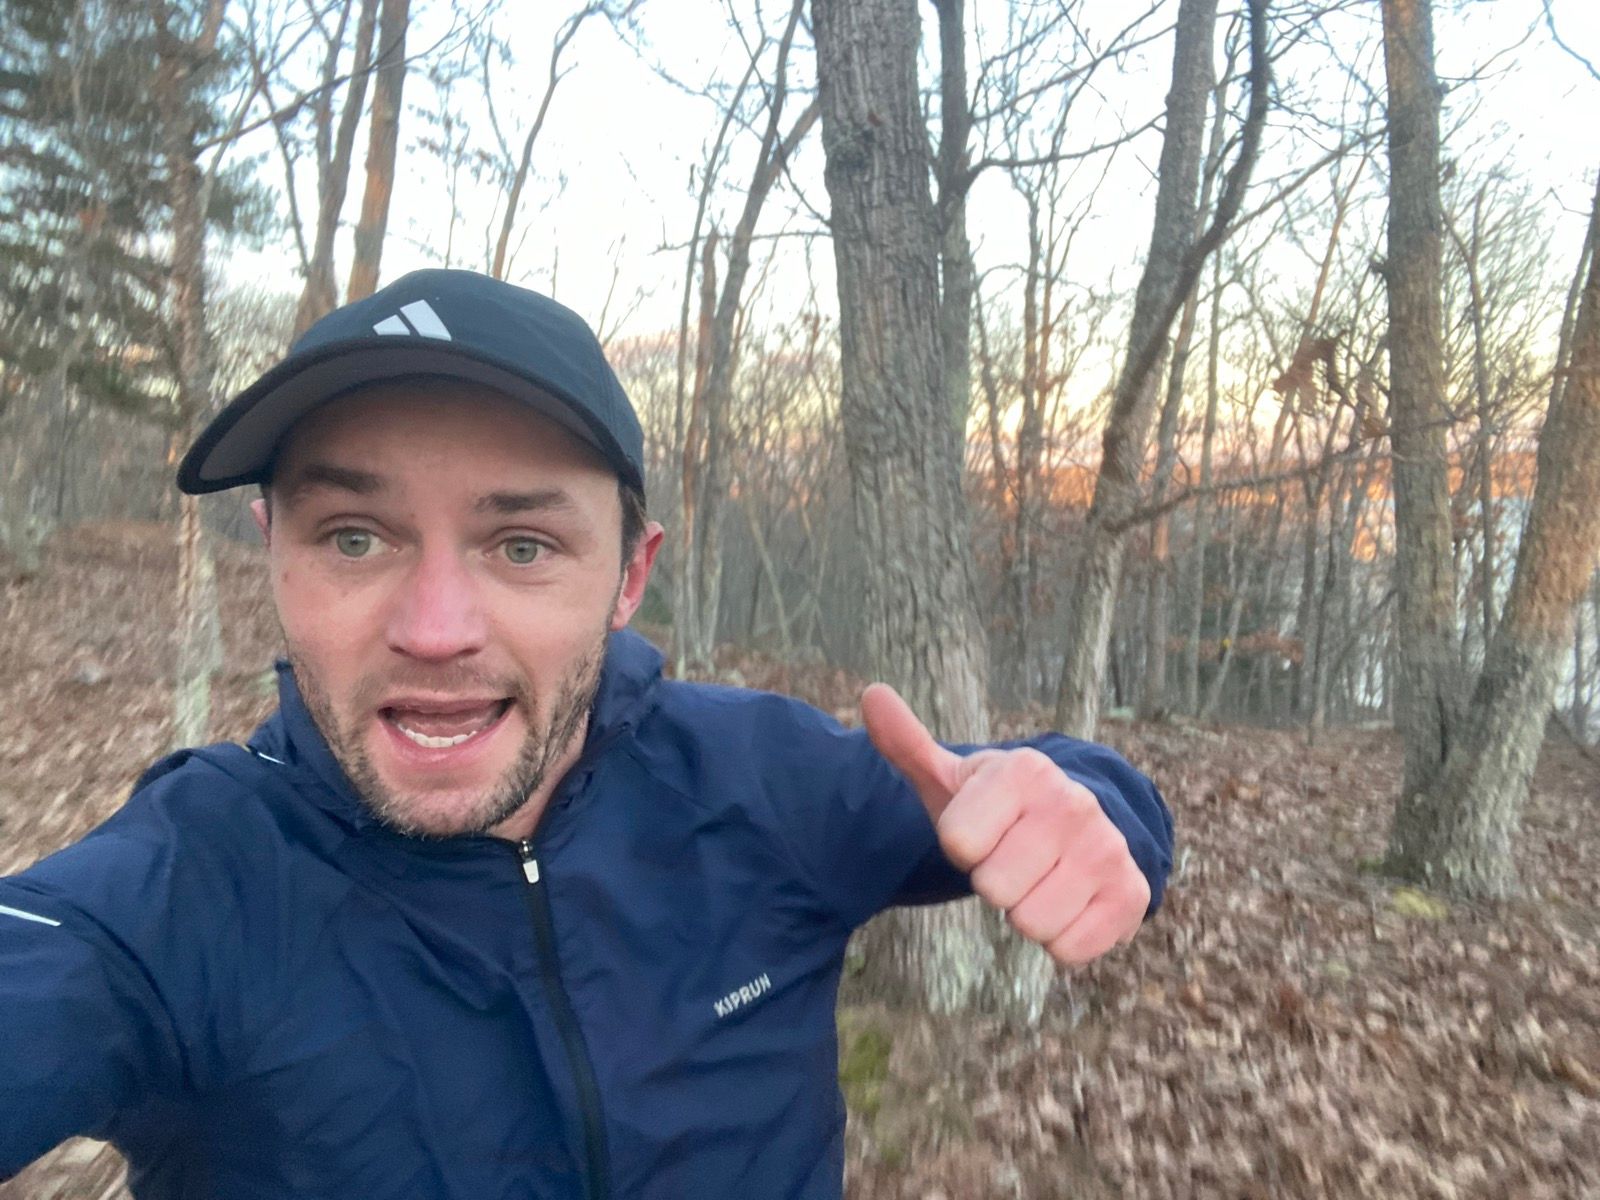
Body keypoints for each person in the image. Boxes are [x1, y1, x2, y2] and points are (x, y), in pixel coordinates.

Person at [0, 270, 1173, 1198]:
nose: (435, 630)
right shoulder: (181, 890)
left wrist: (1089, 809)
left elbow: (1058, 783)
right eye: (355, 537)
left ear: (628, 577)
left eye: (522, 546)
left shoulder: (755, 781)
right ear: (274, 551)